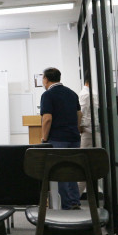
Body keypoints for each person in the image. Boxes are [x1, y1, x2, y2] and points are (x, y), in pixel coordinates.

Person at [39, 67, 82, 209]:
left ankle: (66, 205)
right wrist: (75, 129)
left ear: (46, 79)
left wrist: (44, 139)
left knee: (60, 172)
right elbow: (79, 114)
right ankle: (75, 201)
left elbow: (47, 119)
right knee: (72, 170)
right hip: (74, 138)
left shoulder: (48, 95)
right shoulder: (72, 93)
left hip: (57, 139)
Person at [77, 77, 93, 196]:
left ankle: (75, 197)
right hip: (90, 131)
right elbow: (81, 113)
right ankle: (76, 196)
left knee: (83, 164)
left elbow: (81, 113)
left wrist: (80, 127)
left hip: (87, 132)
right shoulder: (89, 94)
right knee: (88, 164)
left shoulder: (84, 94)